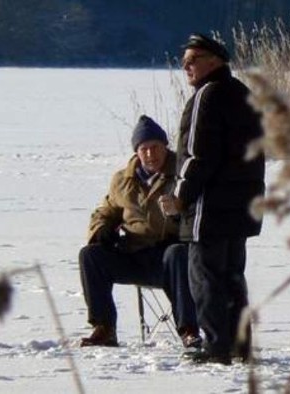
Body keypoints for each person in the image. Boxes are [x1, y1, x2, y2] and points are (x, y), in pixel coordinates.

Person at [159, 33, 265, 365]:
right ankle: (240, 344)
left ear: (215, 61)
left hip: (211, 205)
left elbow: (196, 156)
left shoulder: (207, 95)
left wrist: (179, 197)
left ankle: (217, 346)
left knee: (205, 278)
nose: (186, 66)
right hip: (243, 203)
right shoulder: (242, 93)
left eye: (193, 59)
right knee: (233, 275)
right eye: (184, 61)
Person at [78, 115, 201, 349]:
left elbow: (198, 213)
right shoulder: (122, 181)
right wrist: (102, 229)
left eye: (155, 147)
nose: (150, 154)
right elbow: (105, 211)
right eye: (143, 149)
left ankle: (189, 330)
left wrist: (177, 213)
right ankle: (104, 328)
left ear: (165, 146)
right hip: (132, 253)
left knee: (177, 254)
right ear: (137, 152)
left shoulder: (182, 176)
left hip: (168, 255)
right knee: (90, 255)